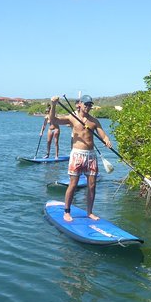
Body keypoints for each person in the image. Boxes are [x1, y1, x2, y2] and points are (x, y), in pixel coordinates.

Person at [49, 94, 113, 222]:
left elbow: (103, 135)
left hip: (91, 155)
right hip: (77, 154)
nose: (88, 107)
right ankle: (67, 211)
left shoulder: (94, 121)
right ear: (80, 104)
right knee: (73, 184)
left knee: (92, 185)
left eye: (90, 105)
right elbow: (54, 121)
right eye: (86, 104)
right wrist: (54, 105)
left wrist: (107, 140)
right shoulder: (72, 119)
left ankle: (89, 212)